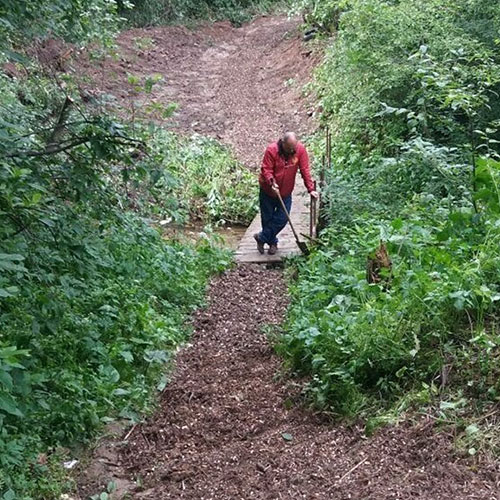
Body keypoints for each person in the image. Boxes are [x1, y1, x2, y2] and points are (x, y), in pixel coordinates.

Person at [254, 132, 318, 255]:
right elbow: (266, 169)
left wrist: (311, 189)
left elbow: (305, 170)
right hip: (268, 190)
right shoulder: (271, 150)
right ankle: (273, 243)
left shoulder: (300, 150)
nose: (292, 151)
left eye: (293, 148)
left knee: (282, 218)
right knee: (267, 219)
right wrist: (271, 182)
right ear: (282, 143)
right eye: (289, 148)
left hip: (286, 191)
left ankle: (261, 238)